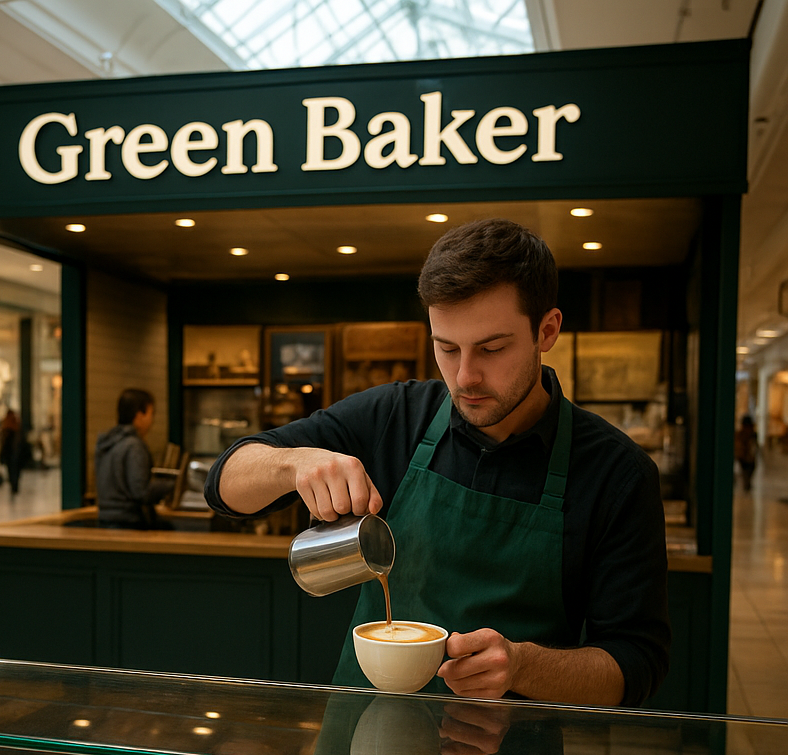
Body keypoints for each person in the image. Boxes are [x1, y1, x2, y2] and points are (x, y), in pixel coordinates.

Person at [205, 218, 671, 708]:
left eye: (492, 348)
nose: (465, 376)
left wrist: (524, 665)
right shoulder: (393, 416)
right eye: (446, 348)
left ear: (546, 330)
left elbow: (636, 665)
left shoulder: (617, 474)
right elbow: (225, 484)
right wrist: (292, 465)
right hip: (361, 748)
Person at [95, 388, 174, 528]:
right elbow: (141, 491)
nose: (152, 420)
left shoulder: (108, 442)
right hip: (128, 522)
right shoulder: (134, 446)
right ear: (139, 416)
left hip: (106, 519)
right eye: (151, 413)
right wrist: (171, 485)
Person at [0, 408, 26, 496]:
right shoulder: (14, 425)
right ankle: (14, 485)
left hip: (12, 452)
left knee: (12, 470)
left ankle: (14, 485)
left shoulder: (8, 425)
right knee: (14, 470)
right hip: (13, 452)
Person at [734, 414, 758, 492]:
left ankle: (747, 483)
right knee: (745, 471)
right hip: (743, 457)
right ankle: (746, 484)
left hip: (750, 458)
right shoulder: (740, 434)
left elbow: (754, 446)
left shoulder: (752, 435)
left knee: (749, 470)